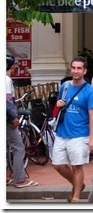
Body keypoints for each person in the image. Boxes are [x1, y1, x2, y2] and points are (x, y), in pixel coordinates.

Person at [51, 56, 93, 202]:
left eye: (79, 68)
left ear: (84, 71)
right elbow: (58, 108)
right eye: (74, 68)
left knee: (77, 166)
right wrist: (58, 104)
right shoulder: (64, 86)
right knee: (57, 165)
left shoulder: (90, 91)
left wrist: (92, 138)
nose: (75, 71)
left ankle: (76, 197)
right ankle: (78, 184)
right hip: (62, 132)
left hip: (79, 134)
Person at [6, 54, 39, 188]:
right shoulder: (6, 80)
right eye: (14, 66)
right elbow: (7, 102)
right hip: (6, 119)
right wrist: (13, 117)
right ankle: (19, 179)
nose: (14, 68)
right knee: (19, 147)